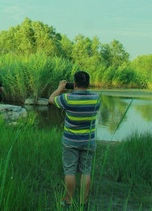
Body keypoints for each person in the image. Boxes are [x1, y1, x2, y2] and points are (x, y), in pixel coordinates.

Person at [49, 71, 101, 209]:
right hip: (88, 141)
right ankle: (84, 202)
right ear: (88, 84)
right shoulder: (97, 98)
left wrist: (60, 89)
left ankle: (69, 201)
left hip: (70, 141)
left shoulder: (67, 98)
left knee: (70, 171)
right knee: (86, 171)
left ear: (75, 84)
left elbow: (51, 99)